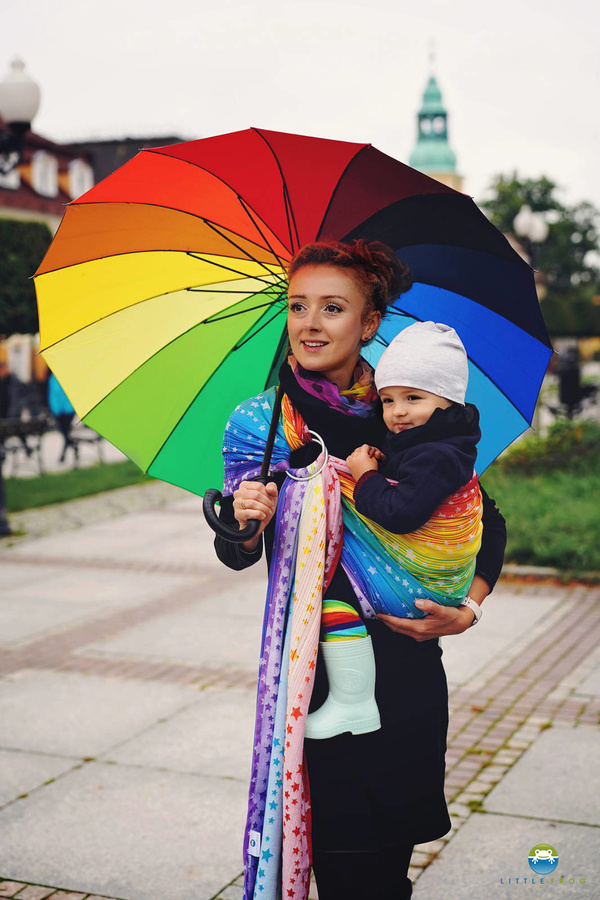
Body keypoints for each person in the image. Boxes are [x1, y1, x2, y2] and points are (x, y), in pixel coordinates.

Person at [214, 240, 506, 900]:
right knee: (343, 871)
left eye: (333, 307)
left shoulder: (406, 408)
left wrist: (470, 608)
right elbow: (238, 552)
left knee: (387, 874)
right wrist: (242, 520)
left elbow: (489, 524)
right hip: (315, 682)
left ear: (369, 323)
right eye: (298, 306)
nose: (310, 323)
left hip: (404, 676)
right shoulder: (261, 424)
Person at [305, 320, 483, 742]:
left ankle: (353, 700)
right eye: (387, 400)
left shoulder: (437, 454)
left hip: (420, 594)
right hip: (424, 593)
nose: (397, 412)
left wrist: (364, 475)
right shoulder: (437, 443)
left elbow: (399, 513)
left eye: (413, 398)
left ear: (449, 400)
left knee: (333, 598)